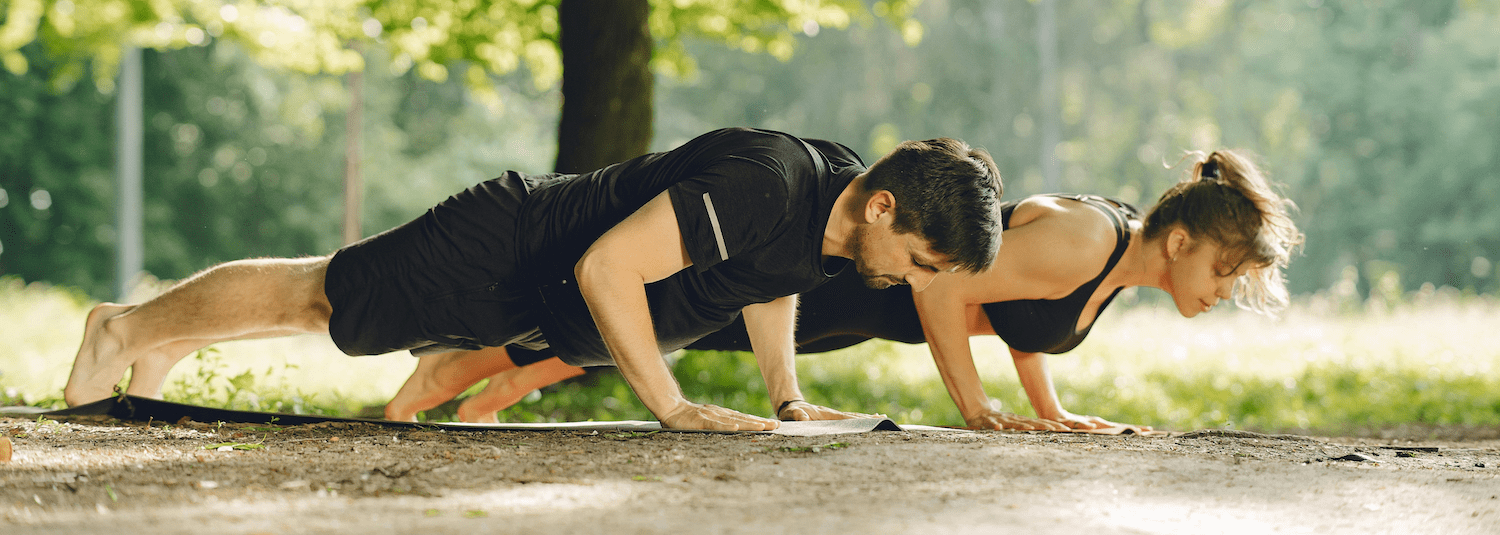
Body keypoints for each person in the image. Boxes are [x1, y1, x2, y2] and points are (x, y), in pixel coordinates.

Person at [64, 127, 1004, 431]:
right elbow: (610, 269)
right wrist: (672, 405)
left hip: (535, 295)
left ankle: (158, 340)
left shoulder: (832, 214)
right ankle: (125, 328)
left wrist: (786, 394)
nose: (916, 284)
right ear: (883, 206)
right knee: (323, 297)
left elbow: (768, 279)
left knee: (331, 316)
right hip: (509, 242)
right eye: (923, 263)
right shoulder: (769, 184)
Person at [403, 150, 1303, 431]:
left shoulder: (1114, 266)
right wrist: (976, 409)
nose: (1224, 290)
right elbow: (947, 294)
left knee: (671, 326)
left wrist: (1051, 410)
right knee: (669, 316)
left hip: (859, 317)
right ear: (1180, 239)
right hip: (848, 289)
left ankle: (492, 381)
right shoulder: (1089, 237)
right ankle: (464, 368)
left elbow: (1023, 319)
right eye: (1226, 270)